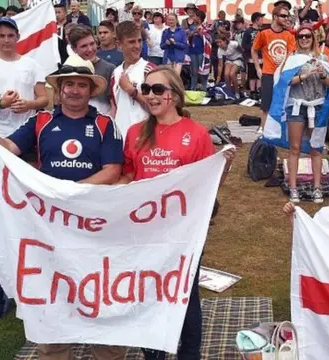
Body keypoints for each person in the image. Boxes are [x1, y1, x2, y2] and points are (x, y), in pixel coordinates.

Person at [0, 55, 126, 360]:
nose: (74, 90)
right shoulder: (41, 121)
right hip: (49, 222)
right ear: (59, 89)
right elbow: (11, 149)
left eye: (81, 85)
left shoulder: (104, 124)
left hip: (92, 221)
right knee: (53, 287)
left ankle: (108, 349)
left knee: (97, 286)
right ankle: (55, 350)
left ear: (90, 90)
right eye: (68, 84)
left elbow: (112, 170)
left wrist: (73, 193)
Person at [119, 66, 235, 360]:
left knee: (185, 291)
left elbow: (207, 185)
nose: (151, 95)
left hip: (185, 228)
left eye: (158, 89)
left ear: (175, 95)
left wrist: (225, 167)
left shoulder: (195, 134)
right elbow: (129, 177)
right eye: (146, 89)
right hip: (145, 227)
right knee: (147, 291)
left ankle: (189, 352)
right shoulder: (135, 132)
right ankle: (153, 351)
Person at [0, 17, 48, 139]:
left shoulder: (33, 65)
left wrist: (29, 104)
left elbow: (44, 99)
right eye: (1, 36)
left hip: (27, 131)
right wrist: (1, 104)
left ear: (18, 37)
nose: (6, 40)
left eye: (10, 36)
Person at [285, 26, 329, 204]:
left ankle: (317, 187)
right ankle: (293, 188)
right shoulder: (291, 59)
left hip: (318, 106)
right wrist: (303, 76)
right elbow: (285, 81)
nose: (304, 39)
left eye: (308, 36)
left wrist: (322, 75)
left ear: (313, 38)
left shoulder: (322, 58)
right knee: (295, 148)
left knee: (316, 148)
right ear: (297, 39)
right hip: (297, 106)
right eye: (301, 36)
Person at [252, 5, 295, 133]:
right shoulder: (264, 33)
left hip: (283, 74)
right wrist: (257, 68)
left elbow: (291, 54)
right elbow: (254, 50)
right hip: (268, 73)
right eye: (283, 16)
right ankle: (264, 130)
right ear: (275, 17)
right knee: (266, 105)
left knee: (284, 104)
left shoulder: (289, 35)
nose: (286, 18)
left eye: (287, 16)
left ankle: (281, 131)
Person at [111, 21, 153, 138]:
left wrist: (131, 90)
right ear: (119, 44)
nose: (137, 46)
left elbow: (157, 107)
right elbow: (115, 107)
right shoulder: (115, 73)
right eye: (131, 42)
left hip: (144, 137)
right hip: (121, 138)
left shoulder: (149, 70)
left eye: (139, 41)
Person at [69, 24, 116, 115]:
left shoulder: (109, 69)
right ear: (74, 49)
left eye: (92, 44)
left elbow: (114, 106)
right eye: (84, 46)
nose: (90, 49)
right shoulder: (68, 70)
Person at [242, 12, 263, 100]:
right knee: (251, 75)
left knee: (259, 75)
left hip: (261, 57)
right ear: (256, 20)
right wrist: (252, 49)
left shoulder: (262, 31)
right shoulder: (248, 31)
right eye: (261, 20)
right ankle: (252, 91)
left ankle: (258, 90)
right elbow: (243, 44)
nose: (262, 21)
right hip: (251, 57)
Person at [187, 10, 208, 91]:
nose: (194, 18)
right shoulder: (191, 27)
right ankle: (193, 89)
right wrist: (192, 33)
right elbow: (188, 37)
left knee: (203, 71)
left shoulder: (205, 27)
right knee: (194, 72)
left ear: (200, 18)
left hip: (202, 52)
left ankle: (204, 89)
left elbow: (208, 39)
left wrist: (200, 33)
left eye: (195, 16)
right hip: (192, 51)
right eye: (194, 16)